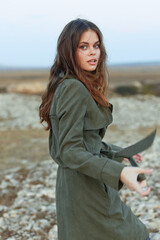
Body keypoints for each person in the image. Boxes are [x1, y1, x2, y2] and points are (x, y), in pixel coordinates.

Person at [39, 18, 152, 240]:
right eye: (84, 46)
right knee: (136, 235)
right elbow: (69, 150)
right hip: (85, 188)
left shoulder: (71, 84)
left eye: (96, 45)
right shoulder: (73, 88)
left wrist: (117, 153)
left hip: (77, 184)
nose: (93, 52)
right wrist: (119, 172)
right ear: (68, 51)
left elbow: (81, 141)